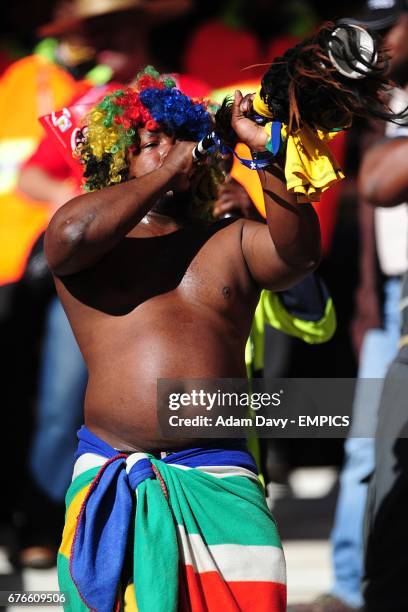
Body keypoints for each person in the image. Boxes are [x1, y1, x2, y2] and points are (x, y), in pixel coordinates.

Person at [43, 63, 326, 610]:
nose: (172, 150)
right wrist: (167, 169)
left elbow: (299, 255)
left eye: (182, 140)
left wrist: (264, 155)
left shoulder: (231, 241)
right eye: (150, 143)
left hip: (219, 483)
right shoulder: (88, 243)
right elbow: (71, 233)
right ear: (116, 157)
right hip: (113, 478)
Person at [288, 3, 408, 611]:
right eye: (371, 31)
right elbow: (366, 197)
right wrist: (366, 303)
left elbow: (385, 181)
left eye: (390, 30)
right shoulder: (380, 97)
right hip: (389, 298)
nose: (377, 43)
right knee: (367, 443)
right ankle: (347, 586)